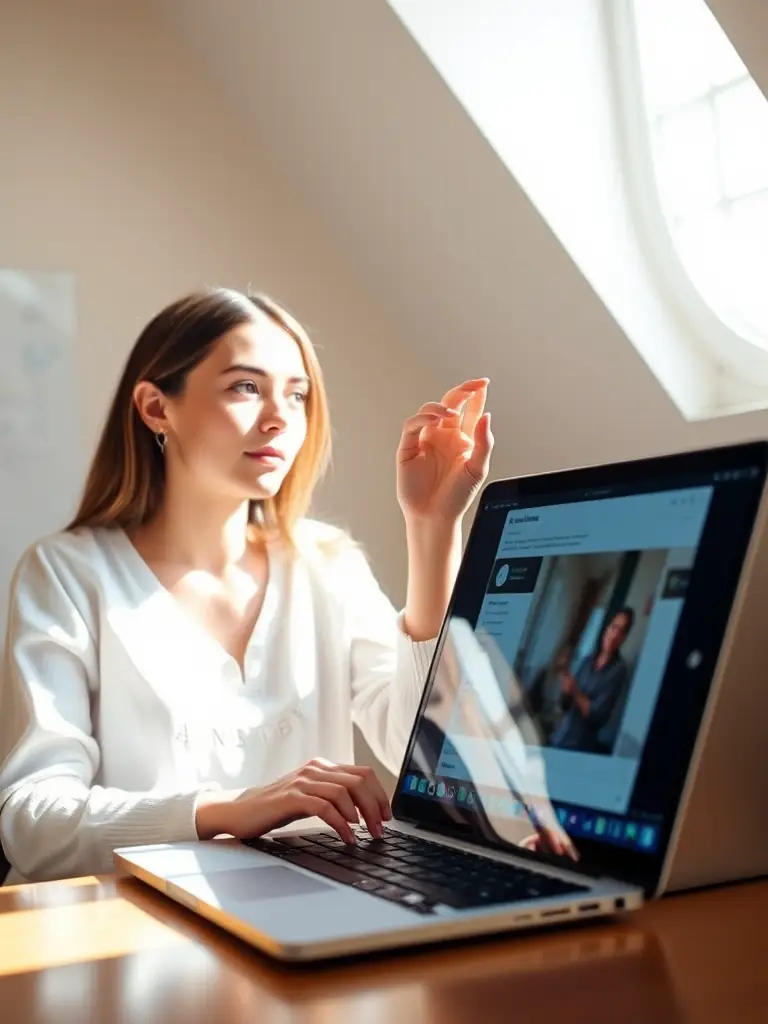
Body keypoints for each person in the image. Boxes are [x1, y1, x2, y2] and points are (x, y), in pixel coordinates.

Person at [0, 288, 493, 884]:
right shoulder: (66, 573)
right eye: (245, 387)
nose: (281, 417)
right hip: (128, 929)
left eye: (298, 393)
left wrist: (432, 525)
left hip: (306, 917)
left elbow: (429, 758)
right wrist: (229, 811)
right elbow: (35, 824)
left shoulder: (326, 564)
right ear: (157, 407)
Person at [548, 608, 634, 754]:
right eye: (614, 627)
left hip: (579, 747)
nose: (615, 635)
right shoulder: (587, 660)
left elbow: (598, 715)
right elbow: (565, 705)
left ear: (624, 638)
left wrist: (575, 692)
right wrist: (566, 691)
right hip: (560, 737)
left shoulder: (619, 670)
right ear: (607, 629)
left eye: (621, 631)